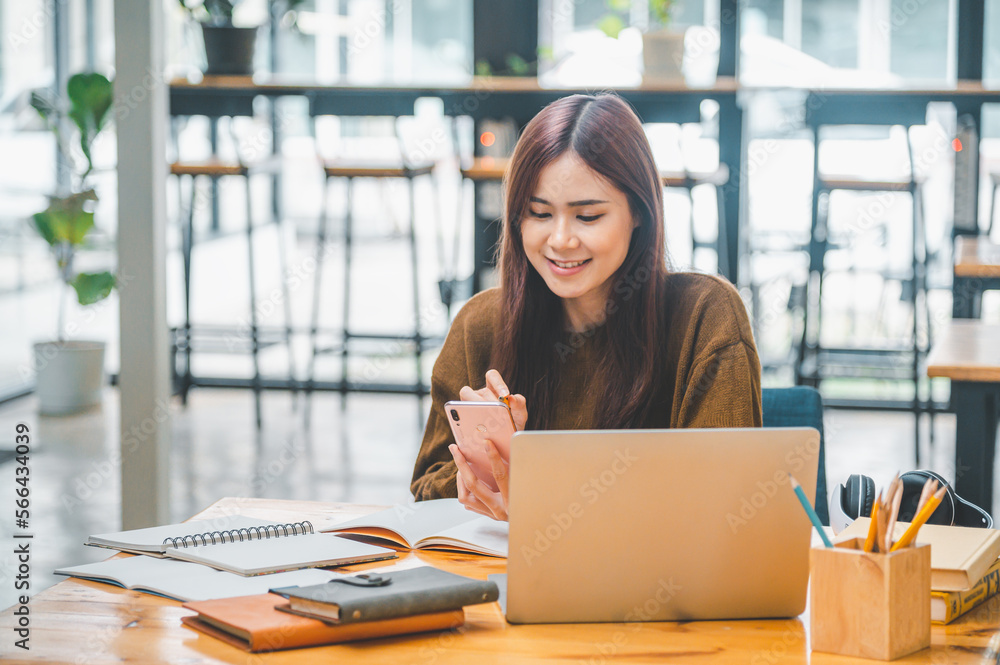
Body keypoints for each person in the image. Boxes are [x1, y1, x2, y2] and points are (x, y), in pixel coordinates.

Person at [410, 93, 761, 520]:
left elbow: (727, 503)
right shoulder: (480, 325)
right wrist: (486, 465)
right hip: (499, 582)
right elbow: (425, 491)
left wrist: (541, 481)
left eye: (588, 217)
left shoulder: (705, 317)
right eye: (538, 214)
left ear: (639, 213)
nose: (560, 240)